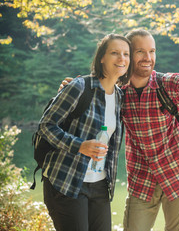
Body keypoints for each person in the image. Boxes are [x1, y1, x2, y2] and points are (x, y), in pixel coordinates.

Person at [60, 29, 179, 231]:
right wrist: (73, 88)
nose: (148, 58)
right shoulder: (117, 92)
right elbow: (91, 95)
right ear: (128, 55)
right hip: (141, 181)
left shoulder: (166, 84)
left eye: (152, 51)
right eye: (140, 51)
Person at [38, 33, 132, 231]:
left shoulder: (120, 96)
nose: (122, 58)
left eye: (126, 54)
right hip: (67, 181)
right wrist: (79, 146)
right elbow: (46, 125)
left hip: (99, 185)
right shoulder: (79, 87)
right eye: (115, 53)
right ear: (102, 58)